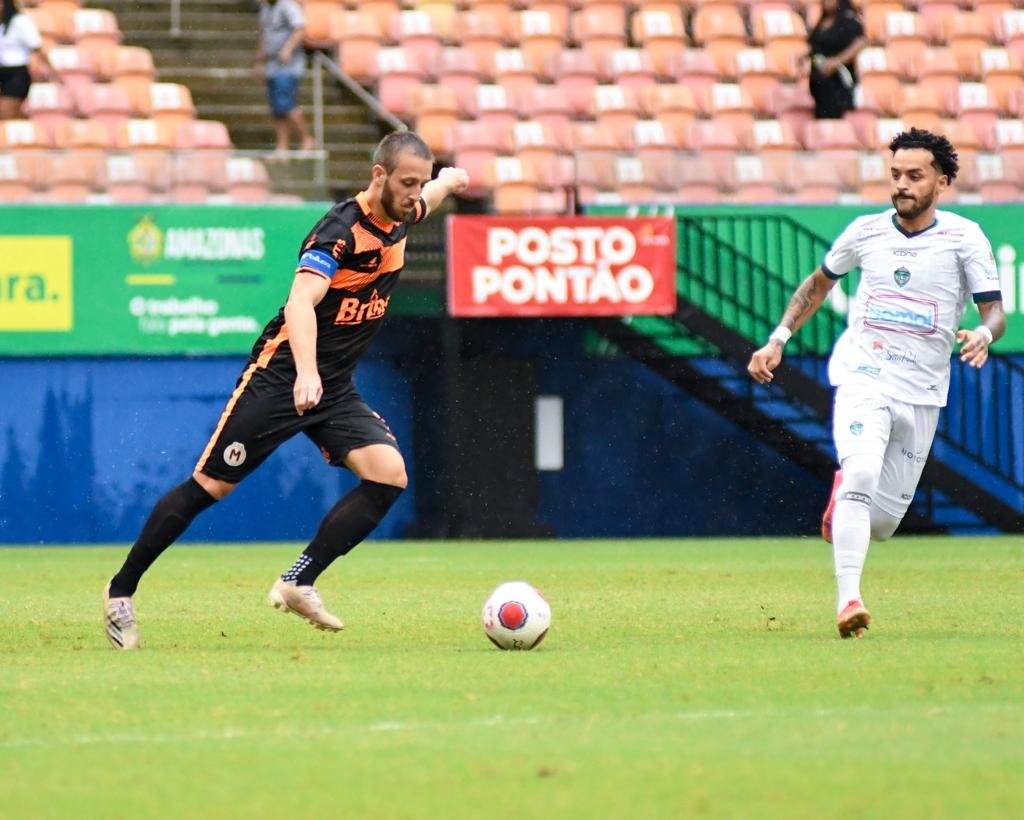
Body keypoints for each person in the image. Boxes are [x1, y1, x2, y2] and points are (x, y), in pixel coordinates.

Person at [103, 131, 470, 650]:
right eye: (407, 182)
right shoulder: (339, 232)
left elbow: (428, 199)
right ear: (379, 176)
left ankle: (298, 581)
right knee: (210, 487)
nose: (415, 193)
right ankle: (120, 591)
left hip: (333, 387)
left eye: (420, 183)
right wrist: (305, 372)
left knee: (388, 474)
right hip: (281, 377)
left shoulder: (402, 213)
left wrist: (447, 182)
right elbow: (300, 303)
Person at [747, 129, 1005, 639]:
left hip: (923, 392)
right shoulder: (866, 232)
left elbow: (994, 312)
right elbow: (817, 284)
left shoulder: (965, 238)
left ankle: (844, 495)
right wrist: (778, 338)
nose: (902, 185)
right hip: (864, 375)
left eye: (915, 176)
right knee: (862, 471)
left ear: (942, 181)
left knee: (882, 524)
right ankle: (849, 601)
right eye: (895, 175)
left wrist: (983, 334)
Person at [254, 0, 314, 153]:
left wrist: (288, 49)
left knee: (285, 103)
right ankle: (282, 145)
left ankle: (306, 138)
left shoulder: (288, 6)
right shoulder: (266, 8)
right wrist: (259, 60)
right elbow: (264, 34)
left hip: (289, 65)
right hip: (272, 64)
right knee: (276, 108)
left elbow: (300, 28)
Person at [806, 0, 866, 120]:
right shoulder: (822, 22)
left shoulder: (848, 21)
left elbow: (861, 42)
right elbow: (815, 46)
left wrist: (837, 61)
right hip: (819, 81)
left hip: (838, 80)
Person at [0, 0, 56, 120]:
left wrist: (52, 71)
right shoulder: (2, 24)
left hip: (16, 73)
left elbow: (37, 48)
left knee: (5, 113)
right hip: (2, 71)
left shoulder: (20, 22)